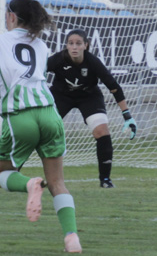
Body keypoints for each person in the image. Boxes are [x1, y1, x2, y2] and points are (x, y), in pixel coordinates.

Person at [0, 0, 81, 253]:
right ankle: (72, 237)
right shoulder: (40, 44)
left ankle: (29, 184)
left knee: (0, 174)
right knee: (58, 182)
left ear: (12, 17)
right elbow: (27, 80)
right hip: (50, 114)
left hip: (21, 117)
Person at [47, 29, 137, 189]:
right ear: (66, 45)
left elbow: (114, 87)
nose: (74, 47)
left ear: (86, 46)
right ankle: (17, 170)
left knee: (101, 131)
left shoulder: (93, 62)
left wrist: (127, 115)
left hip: (89, 97)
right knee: (43, 130)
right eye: (70, 43)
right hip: (61, 96)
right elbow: (32, 75)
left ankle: (105, 179)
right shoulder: (57, 60)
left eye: (78, 43)